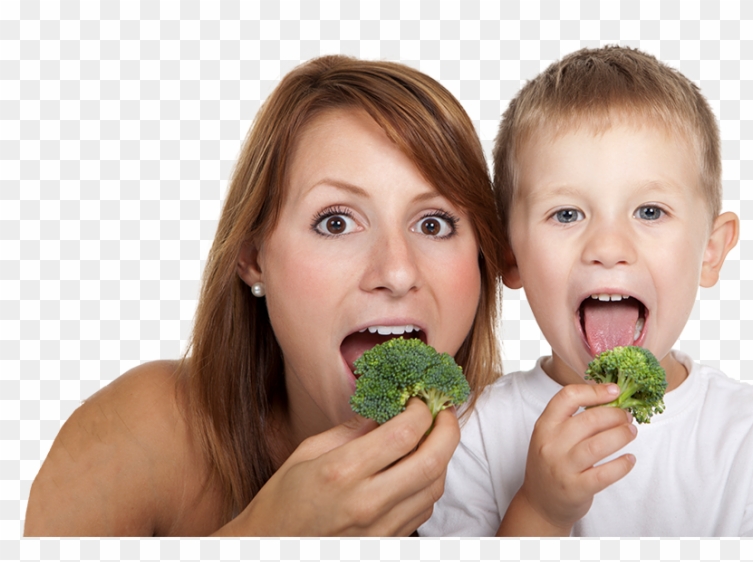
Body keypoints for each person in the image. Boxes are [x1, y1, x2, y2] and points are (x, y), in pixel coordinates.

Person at [24, 55, 506, 536]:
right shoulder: (142, 433)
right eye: (336, 222)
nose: (397, 272)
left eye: (433, 223)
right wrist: (267, 536)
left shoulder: (526, 457)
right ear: (253, 257)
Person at [420, 46, 753, 537]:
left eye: (650, 212)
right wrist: (540, 512)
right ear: (510, 255)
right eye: (566, 214)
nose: (608, 248)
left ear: (710, 251)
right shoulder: (472, 432)